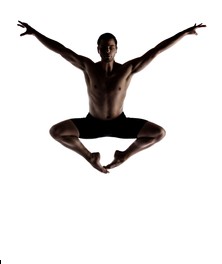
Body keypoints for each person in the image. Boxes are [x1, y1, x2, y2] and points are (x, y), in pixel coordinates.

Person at [18, 21, 206, 173]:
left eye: (111, 47)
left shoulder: (127, 69)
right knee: (56, 131)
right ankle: (90, 157)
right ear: (97, 49)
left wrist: (185, 33)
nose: (107, 51)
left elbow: (156, 50)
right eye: (103, 48)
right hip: (92, 123)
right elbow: (61, 50)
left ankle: (123, 155)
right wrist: (35, 33)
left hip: (119, 123)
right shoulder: (88, 66)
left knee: (159, 133)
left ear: (116, 49)